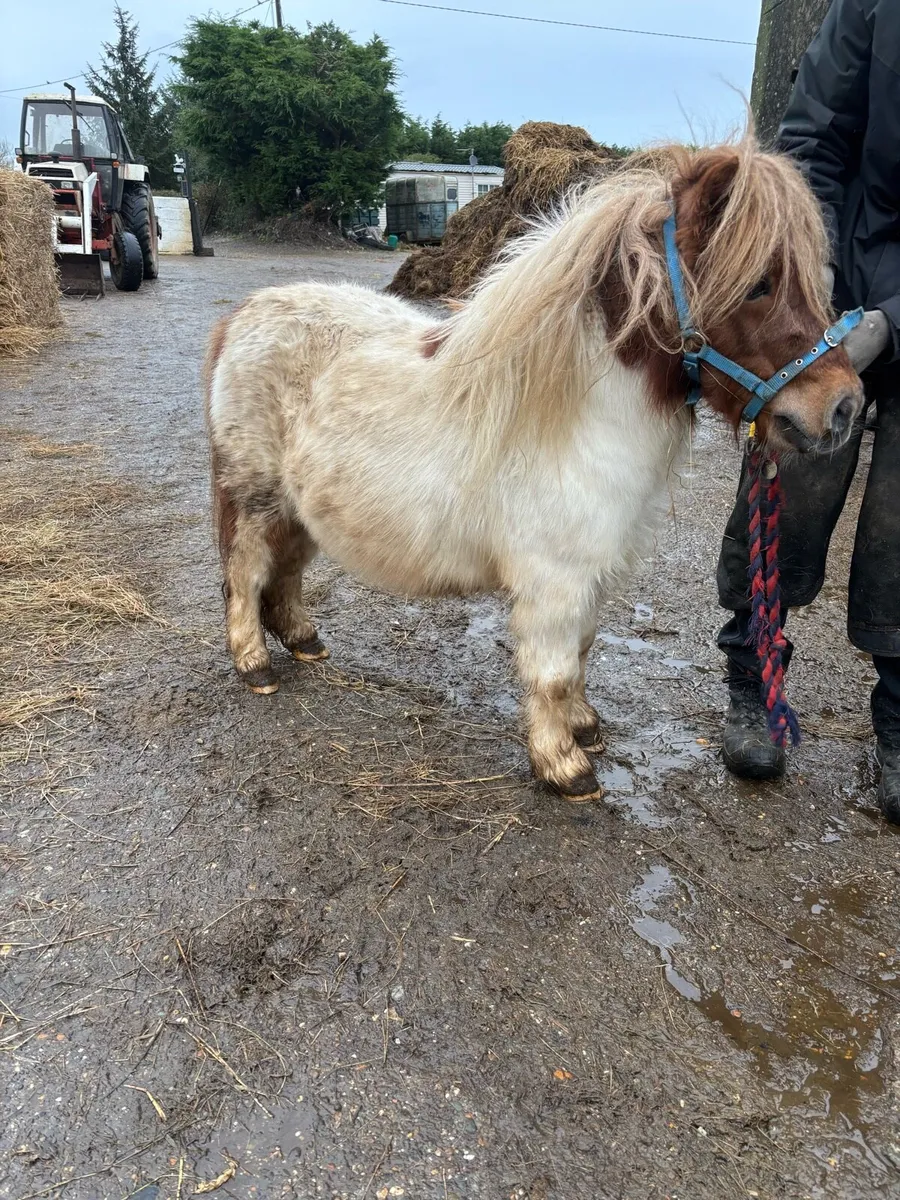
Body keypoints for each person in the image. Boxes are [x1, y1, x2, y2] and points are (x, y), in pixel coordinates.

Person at [717, 0, 900, 823]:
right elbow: (811, 143)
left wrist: (894, 322)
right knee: (790, 492)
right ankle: (754, 684)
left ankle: (897, 725)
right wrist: (814, 288)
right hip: (833, 288)